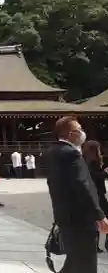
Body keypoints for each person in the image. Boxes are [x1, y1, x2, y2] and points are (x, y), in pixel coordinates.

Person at [45, 116, 108, 273]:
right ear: (70, 134)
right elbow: (83, 185)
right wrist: (99, 214)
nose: (82, 133)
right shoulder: (71, 154)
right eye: (79, 129)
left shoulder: (53, 152)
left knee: (74, 262)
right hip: (80, 218)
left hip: (65, 216)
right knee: (86, 264)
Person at [82, 140, 108, 253]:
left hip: (92, 194)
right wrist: (106, 172)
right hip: (97, 194)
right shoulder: (92, 162)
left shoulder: (84, 160)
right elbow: (94, 176)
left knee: (95, 220)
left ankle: (94, 245)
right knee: (102, 217)